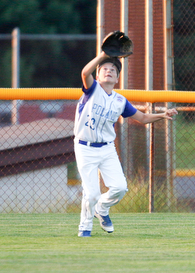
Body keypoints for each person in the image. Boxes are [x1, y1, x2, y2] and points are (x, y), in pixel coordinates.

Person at [75, 48, 177, 236]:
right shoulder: (92, 89)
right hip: (85, 147)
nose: (109, 71)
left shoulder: (120, 101)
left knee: (120, 188)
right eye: (104, 68)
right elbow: (84, 73)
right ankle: (85, 228)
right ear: (97, 75)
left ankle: (102, 209)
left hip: (106, 149)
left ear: (117, 78)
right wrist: (103, 55)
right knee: (91, 192)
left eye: (113, 70)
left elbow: (143, 118)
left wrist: (162, 114)